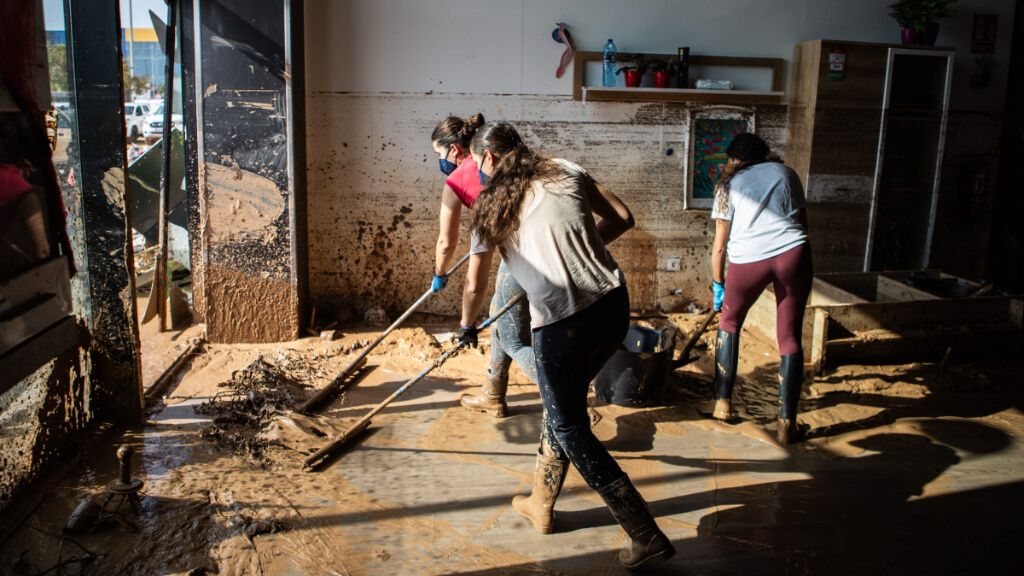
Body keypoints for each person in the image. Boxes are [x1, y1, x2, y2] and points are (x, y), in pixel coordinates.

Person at [458, 122, 674, 569]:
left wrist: (467, 325)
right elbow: (623, 216)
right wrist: (581, 247)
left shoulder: (488, 209)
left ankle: (644, 532)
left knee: (571, 426)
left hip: (563, 323)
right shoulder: (564, 169)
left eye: (479, 162)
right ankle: (541, 500)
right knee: (563, 407)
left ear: (490, 159)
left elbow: (475, 283)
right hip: (613, 305)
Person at [703, 132, 813, 444]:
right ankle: (786, 424)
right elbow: (803, 223)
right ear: (764, 154)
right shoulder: (785, 173)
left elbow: (719, 248)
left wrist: (719, 285)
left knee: (730, 322)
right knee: (789, 336)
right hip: (794, 253)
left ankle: (722, 404)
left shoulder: (728, 184)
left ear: (733, 160)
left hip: (748, 261)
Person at [428, 114, 537, 417]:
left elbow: (454, 255)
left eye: (439, 154)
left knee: (514, 338)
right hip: (532, 248)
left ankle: (567, 399)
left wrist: (465, 324)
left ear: (453, 149)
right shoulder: (498, 162)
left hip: (524, 257)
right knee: (499, 314)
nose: (440, 161)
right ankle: (494, 394)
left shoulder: (463, 183)